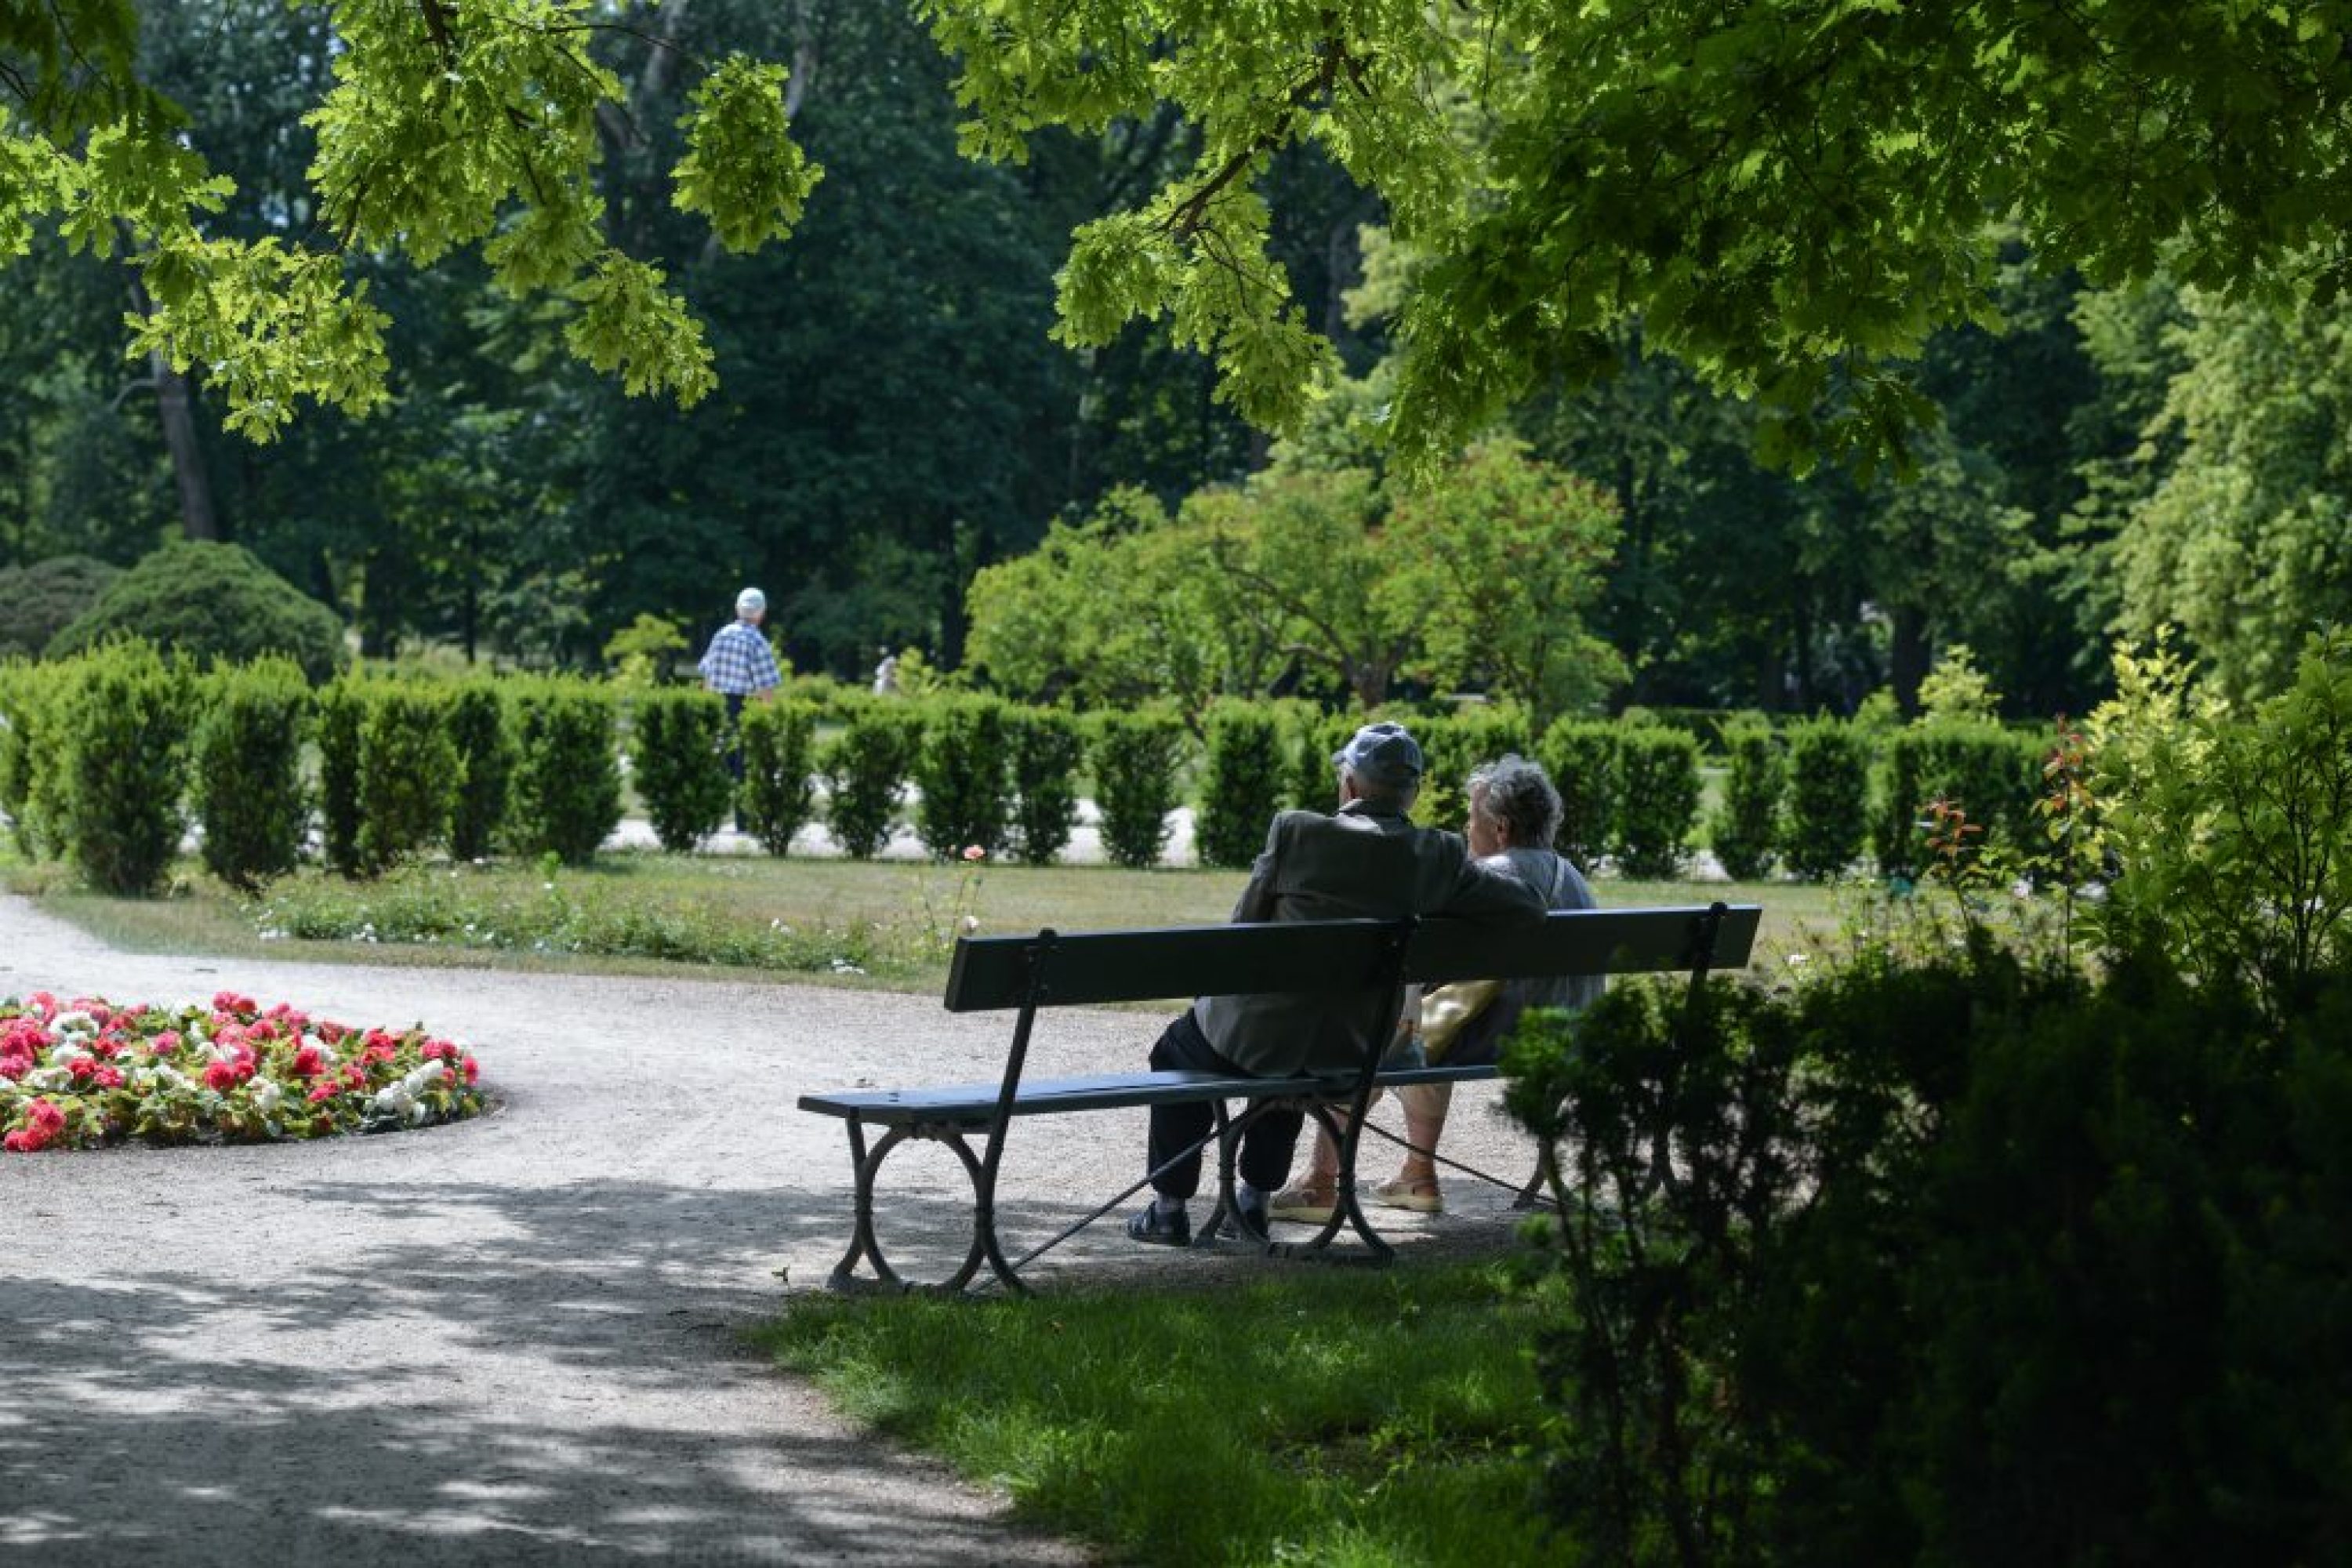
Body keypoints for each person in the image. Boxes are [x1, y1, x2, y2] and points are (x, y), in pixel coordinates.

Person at [1127, 722, 1546, 1247]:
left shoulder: (1297, 833)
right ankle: (1252, 1202)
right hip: (1353, 1050)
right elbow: (1528, 906)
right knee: (1297, 1050)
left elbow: (1240, 936)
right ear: (1412, 793)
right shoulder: (1435, 856)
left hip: (1259, 1042)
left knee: (1179, 1050)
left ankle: (1169, 1208)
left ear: (1348, 785)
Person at [1269, 753, 1600, 1221]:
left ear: (1501, 828)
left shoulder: (1496, 877)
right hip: (1571, 1036)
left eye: (1471, 819)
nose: (1467, 830)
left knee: (1373, 1038)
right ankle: (1417, 1173)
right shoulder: (1575, 880)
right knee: (1421, 1031)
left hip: (1505, 1040)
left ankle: (1322, 1183)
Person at [698, 586, 783, 787]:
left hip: (718, 706)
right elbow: (766, 689)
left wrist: (705, 708)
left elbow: (707, 678)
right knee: (742, 773)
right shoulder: (757, 641)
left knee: (720, 767)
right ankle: (741, 818)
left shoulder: (721, 635)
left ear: (737, 609)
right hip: (743, 708)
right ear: (762, 613)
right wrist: (768, 721)